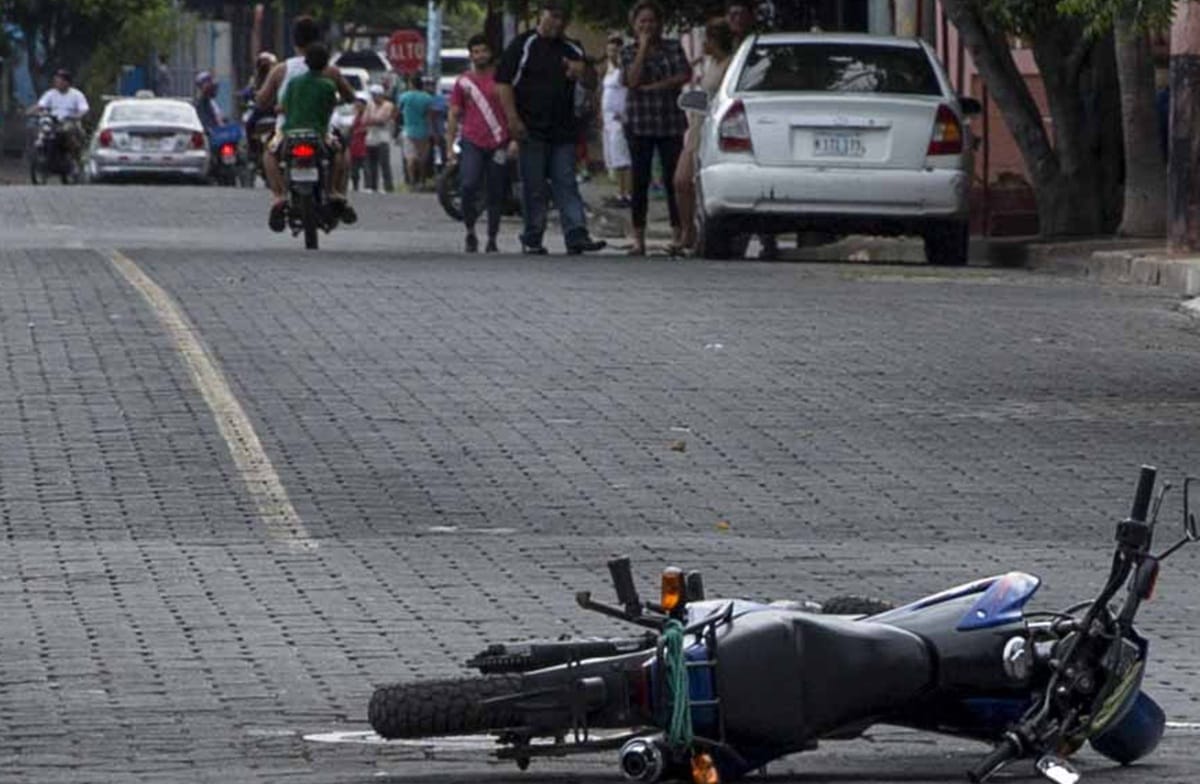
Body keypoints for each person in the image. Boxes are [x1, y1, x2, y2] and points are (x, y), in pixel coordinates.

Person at [496, 0, 606, 256]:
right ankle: (533, 235)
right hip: (531, 127)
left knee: (565, 181)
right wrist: (513, 119)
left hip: (563, 129)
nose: (557, 23)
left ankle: (576, 232)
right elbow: (503, 83)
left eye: (562, 19)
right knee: (534, 185)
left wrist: (583, 71)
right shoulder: (524, 45)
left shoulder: (571, 48)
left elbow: (591, 83)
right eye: (553, 16)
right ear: (542, 15)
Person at [257, 16, 357, 225]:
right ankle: (335, 192)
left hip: (286, 131)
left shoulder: (281, 71)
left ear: (294, 41)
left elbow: (264, 101)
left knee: (269, 153)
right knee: (341, 152)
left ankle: (279, 195)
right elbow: (347, 97)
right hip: (322, 131)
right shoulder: (330, 73)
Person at [621, 0, 691, 256]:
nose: (647, 25)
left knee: (673, 180)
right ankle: (639, 238)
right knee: (640, 181)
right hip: (639, 123)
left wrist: (655, 87)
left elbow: (684, 75)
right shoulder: (628, 51)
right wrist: (643, 48)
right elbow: (631, 80)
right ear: (634, 24)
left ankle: (678, 235)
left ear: (659, 23)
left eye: (651, 21)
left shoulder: (673, 47)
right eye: (642, 21)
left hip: (670, 122)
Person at [445, 33, 513, 254]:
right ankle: (470, 230)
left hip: (499, 142)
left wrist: (514, 140)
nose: (480, 55)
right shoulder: (463, 82)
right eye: (475, 52)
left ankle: (492, 238)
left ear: (490, 53)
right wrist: (450, 148)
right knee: (468, 185)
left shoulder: (502, 79)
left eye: (483, 50)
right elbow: (454, 114)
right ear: (471, 55)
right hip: (472, 141)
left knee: (496, 190)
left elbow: (512, 109)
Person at [674, 18, 734, 254]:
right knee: (681, 180)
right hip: (696, 128)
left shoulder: (730, 65)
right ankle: (688, 231)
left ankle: (700, 234)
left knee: (699, 185)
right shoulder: (711, 63)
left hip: (713, 130)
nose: (703, 44)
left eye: (706, 39)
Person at [28, 68, 89, 163]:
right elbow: (40, 105)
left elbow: (84, 109)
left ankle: (75, 157)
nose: (57, 83)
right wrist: (31, 111)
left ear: (67, 82)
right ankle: (43, 155)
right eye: (56, 81)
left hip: (69, 122)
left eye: (60, 81)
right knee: (42, 129)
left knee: (67, 131)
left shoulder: (76, 95)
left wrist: (77, 116)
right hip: (53, 122)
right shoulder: (50, 94)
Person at [601, 35, 632, 208]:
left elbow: (627, 91)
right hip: (608, 119)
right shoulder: (609, 68)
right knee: (614, 158)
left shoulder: (623, 70)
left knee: (623, 158)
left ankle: (628, 193)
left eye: (615, 50)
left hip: (619, 118)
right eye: (609, 50)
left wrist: (625, 113)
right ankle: (620, 192)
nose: (611, 53)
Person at [398, 74, 435, 190]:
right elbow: (429, 117)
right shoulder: (427, 98)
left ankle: (412, 182)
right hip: (423, 130)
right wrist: (431, 131)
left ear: (411, 84)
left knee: (410, 158)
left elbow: (399, 111)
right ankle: (422, 181)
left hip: (408, 129)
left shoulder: (404, 96)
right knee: (422, 158)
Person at [364, 84, 397, 192]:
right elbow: (364, 120)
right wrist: (373, 121)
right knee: (371, 164)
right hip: (370, 138)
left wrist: (372, 120)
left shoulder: (388, 105)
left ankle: (388, 187)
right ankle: (373, 186)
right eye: (372, 95)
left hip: (383, 138)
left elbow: (382, 120)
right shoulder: (370, 105)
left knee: (384, 164)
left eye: (376, 95)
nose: (374, 98)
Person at [349, 92, 369, 191]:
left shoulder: (367, 115)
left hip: (364, 143)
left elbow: (366, 128)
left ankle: (368, 185)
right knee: (354, 168)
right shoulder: (354, 115)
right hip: (355, 144)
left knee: (366, 166)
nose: (358, 105)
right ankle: (355, 185)